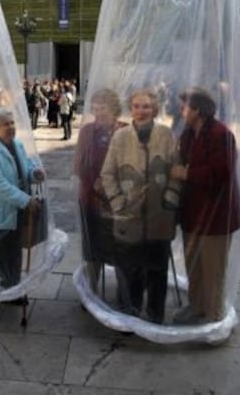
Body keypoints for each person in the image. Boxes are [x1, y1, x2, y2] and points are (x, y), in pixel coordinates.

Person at [100, 89, 179, 323]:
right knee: (128, 267)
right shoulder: (120, 136)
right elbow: (107, 173)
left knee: (157, 268)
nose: (141, 111)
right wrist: (118, 203)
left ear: (154, 109)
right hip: (128, 214)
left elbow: (176, 171)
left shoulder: (166, 135)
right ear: (130, 108)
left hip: (159, 215)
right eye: (136, 106)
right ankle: (128, 311)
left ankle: (155, 315)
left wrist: (170, 199)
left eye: (146, 106)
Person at [170, 87, 240, 325]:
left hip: (216, 215)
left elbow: (220, 173)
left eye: (184, 106)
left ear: (198, 110)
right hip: (192, 213)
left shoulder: (220, 134)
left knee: (213, 268)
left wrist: (186, 173)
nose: (180, 111)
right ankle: (196, 306)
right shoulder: (188, 134)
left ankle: (214, 314)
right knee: (194, 266)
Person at [0, 107, 43, 322]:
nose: (11, 127)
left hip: (16, 214)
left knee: (14, 257)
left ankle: (11, 293)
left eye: (13, 123)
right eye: (6, 124)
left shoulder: (18, 145)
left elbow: (27, 167)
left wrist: (34, 173)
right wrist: (25, 200)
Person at [74, 88, 127, 291]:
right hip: (91, 198)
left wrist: (112, 183)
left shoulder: (125, 130)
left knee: (120, 245)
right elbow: (78, 164)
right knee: (92, 245)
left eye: (102, 107)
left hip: (118, 201)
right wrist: (92, 179)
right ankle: (91, 287)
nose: (98, 112)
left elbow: (132, 165)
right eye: (95, 107)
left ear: (113, 108)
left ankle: (125, 290)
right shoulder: (88, 131)